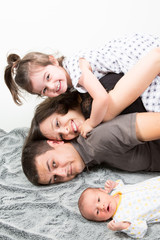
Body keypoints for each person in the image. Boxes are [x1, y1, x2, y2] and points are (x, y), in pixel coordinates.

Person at [4, 34, 160, 137]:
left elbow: (102, 98)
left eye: (48, 77)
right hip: (132, 54)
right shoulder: (72, 77)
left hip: (132, 54)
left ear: (53, 61)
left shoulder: (76, 71)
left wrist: (91, 122)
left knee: (152, 98)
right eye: (44, 90)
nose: (52, 86)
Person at [22, 111, 160, 186]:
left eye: (53, 164)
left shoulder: (98, 139)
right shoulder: (91, 156)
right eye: (56, 178)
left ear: (55, 143)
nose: (63, 174)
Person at [31, 73, 146, 141]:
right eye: (61, 136)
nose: (65, 131)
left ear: (59, 106)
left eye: (57, 124)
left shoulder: (89, 91)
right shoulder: (92, 129)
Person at [78, 177, 160, 238]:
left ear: (102, 191)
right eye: (97, 212)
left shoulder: (116, 191)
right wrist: (123, 226)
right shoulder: (120, 219)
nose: (101, 206)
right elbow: (140, 230)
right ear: (103, 220)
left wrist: (113, 184)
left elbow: (120, 183)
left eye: (99, 199)